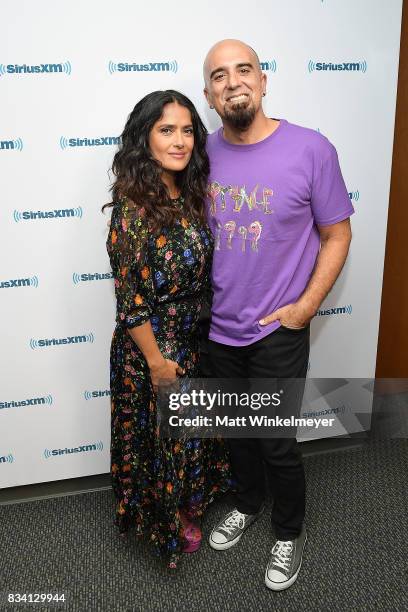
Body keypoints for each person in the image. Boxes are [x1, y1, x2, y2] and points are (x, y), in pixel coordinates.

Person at [201, 40, 354, 590]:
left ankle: (288, 532)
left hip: (277, 330)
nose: (233, 81)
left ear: (263, 82)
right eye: (220, 75)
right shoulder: (201, 156)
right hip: (217, 329)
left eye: (244, 70)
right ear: (209, 95)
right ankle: (247, 501)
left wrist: (304, 308)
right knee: (237, 435)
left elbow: (337, 233)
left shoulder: (311, 149)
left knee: (275, 441)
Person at [105, 90, 230, 569]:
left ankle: (187, 497)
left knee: (187, 436)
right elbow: (131, 303)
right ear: (145, 138)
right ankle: (164, 518)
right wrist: (157, 364)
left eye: (187, 130)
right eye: (166, 130)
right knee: (160, 441)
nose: (179, 141)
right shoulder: (133, 208)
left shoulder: (191, 191)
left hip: (192, 338)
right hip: (152, 352)